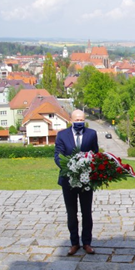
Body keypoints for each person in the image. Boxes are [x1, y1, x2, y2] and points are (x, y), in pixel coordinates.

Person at [55, 109, 99, 256]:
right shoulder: (62, 135)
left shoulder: (91, 134)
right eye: (76, 120)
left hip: (86, 181)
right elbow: (58, 156)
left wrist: (90, 169)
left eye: (81, 120)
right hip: (68, 181)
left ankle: (87, 242)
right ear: (71, 120)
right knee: (71, 213)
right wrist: (71, 169)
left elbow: (96, 154)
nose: (79, 122)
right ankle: (74, 243)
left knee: (87, 212)